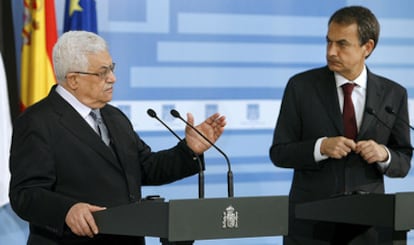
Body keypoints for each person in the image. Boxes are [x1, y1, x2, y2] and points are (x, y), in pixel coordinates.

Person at [9, 30, 227, 245]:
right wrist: (66, 210)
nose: (113, 78)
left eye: (111, 68)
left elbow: (145, 168)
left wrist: (189, 149)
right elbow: (25, 194)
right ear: (74, 79)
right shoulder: (37, 121)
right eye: (102, 72)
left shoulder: (114, 116)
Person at [269, 6, 412, 245]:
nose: (331, 51)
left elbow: (403, 161)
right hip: (310, 223)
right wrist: (320, 147)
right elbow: (279, 153)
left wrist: (383, 154)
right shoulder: (301, 87)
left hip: (370, 224)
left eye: (342, 44)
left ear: (367, 47)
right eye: (328, 42)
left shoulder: (393, 94)